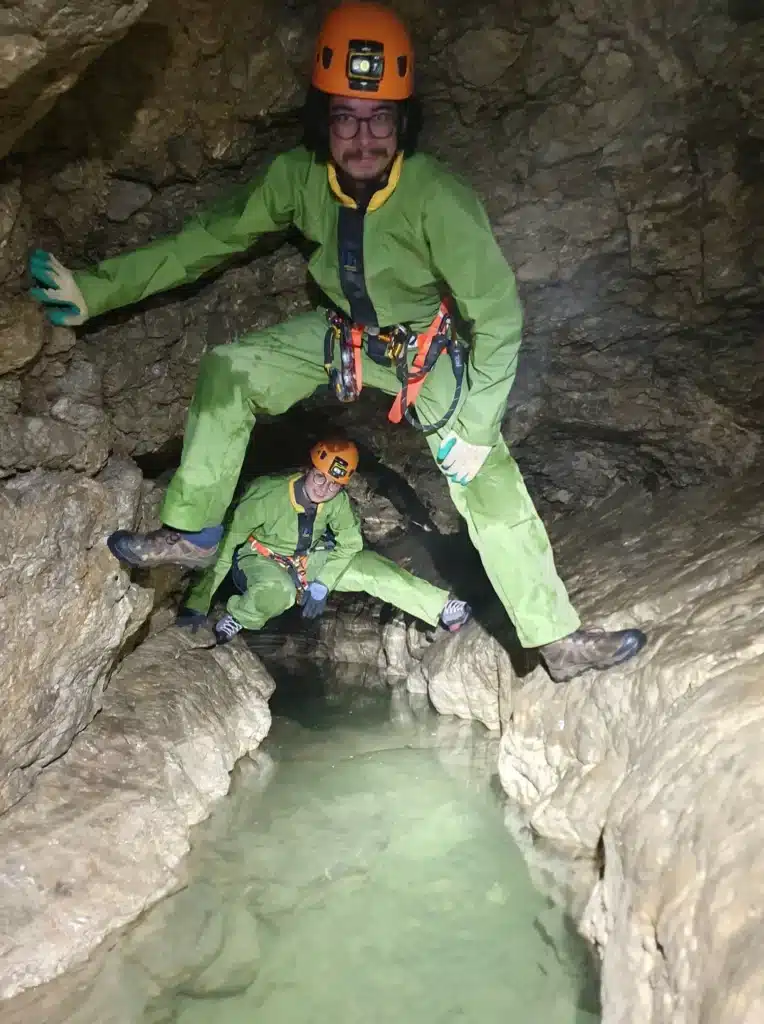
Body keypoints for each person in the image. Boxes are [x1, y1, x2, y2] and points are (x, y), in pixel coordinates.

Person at [28, 2, 646, 683]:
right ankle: (196, 532)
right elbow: (207, 239)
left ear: (403, 123)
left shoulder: (437, 198)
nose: (362, 137)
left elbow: (498, 317)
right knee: (231, 370)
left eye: (380, 117)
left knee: (486, 477)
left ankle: (555, 639)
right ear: (324, 121)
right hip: (339, 337)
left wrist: (473, 427)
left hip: (423, 353)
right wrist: (98, 290)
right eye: (346, 116)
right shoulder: (297, 178)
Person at [166, 438, 472, 644]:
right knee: (278, 592)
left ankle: (441, 608)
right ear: (308, 469)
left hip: (308, 560)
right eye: (319, 478)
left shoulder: (336, 502)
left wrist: (323, 582)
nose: (324, 488)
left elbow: (351, 544)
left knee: (371, 568)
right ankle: (239, 616)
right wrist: (197, 603)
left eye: (335, 484)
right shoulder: (266, 494)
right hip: (259, 560)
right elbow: (226, 547)